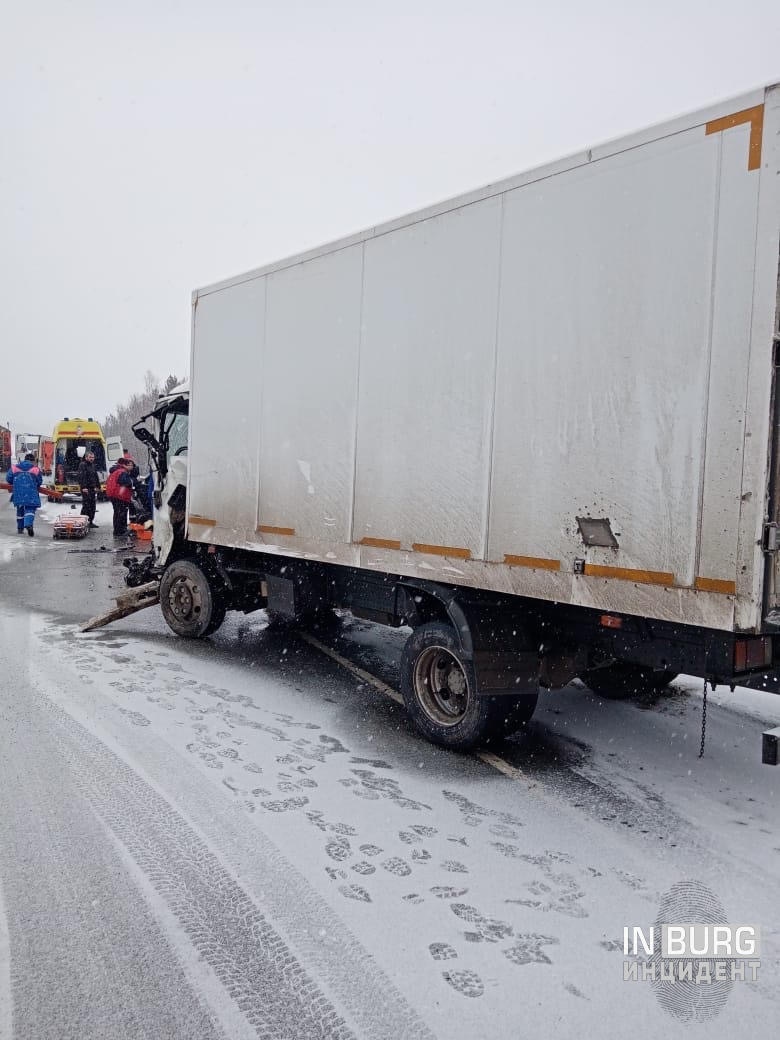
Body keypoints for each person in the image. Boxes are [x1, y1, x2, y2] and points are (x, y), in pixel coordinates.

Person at [6, 453, 42, 537]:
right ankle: (28, 524)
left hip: (18, 492)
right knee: (30, 509)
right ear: (32, 461)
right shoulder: (35, 469)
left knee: (20, 509)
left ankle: (20, 528)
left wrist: (16, 483)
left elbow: (8, 478)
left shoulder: (15, 467)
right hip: (31, 492)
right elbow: (39, 481)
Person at [106, 457, 133, 536]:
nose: (131, 467)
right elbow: (126, 483)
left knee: (117, 512)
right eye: (130, 465)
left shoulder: (116, 471)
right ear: (125, 465)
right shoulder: (123, 472)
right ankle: (120, 531)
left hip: (113, 495)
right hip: (119, 496)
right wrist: (132, 483)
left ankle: (117, 530)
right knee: (121, 513)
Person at [77, 450, 100, 528]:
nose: (92, 459)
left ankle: (90, 521)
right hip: (86, 489)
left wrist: (98, 486)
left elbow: (96, 476)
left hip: (92, 488)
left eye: (93, 457)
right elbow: (81, 476)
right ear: (86, 457)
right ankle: (82, 521)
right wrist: (83, 487)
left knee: (92, 506)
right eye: (90, 457)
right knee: (86, 506)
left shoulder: (93, 465)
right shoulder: (82, 465)